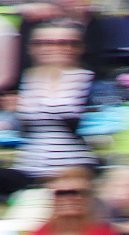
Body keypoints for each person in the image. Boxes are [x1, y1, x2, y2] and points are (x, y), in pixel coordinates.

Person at [13, 20, 95, 180]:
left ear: (80, 48)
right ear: (32, 48)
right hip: (28, 166)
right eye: (45, 43)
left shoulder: (90, 82)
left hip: (74, 170)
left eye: (67, 43)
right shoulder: (23, 80)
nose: (56, 48)